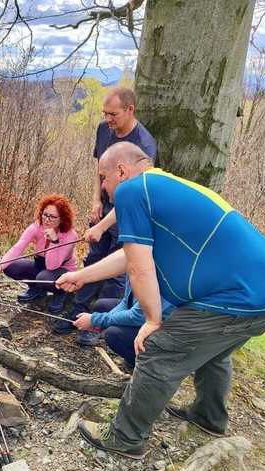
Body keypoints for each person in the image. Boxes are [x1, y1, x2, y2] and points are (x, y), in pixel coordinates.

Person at [56, 142, 265, 460]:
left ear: (121, 171)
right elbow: (131, 253)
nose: (104, 189)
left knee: (158, 349)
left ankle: (125, 438)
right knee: (214, 352)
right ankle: (209, 417)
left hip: (237, 297)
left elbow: (138, 266)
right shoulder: (162, 187)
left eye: (103, 178)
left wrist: (152, 320)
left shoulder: (132, 190)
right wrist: (84, 276)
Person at [54, 87, 158, 335]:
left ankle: (98, 325)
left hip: (127, 210)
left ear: (130, 110)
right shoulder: (103, 129)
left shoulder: (143, 144)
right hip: (106, 204)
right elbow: (99, 167)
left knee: (117, 272)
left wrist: (106, 224)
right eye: (105, 113)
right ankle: (77, 311)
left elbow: (135, 196)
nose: (108, 119)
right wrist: (96, 200)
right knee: (93, 258)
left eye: (113, 114)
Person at [0, 194, 78, 314]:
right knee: (10, 266)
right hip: (40, 265)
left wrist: (54, 241)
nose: (47, 219)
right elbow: (18, 247)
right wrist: (0, 266)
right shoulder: (36, 227)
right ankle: (37, 289)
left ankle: (61, 293)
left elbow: (52, 265)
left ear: (62, 219)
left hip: (61, 270)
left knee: (44, 278)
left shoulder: (70, 235)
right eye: (45, 214)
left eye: (52, 217)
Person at [72, 276, 175, 366]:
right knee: (102, 305)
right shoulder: (134, 269)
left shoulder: (161, 280)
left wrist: (96, 319)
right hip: (140, 314)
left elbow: (137, 316)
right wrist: (102, 321)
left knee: (113, 334)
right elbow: (126, 301)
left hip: (162, 328)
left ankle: (140, 362)